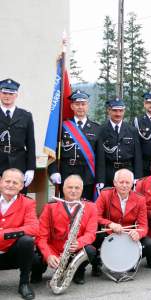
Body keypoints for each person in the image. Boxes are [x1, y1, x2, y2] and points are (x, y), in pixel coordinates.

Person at [33, 175, 97, 285]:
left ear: (82, 190)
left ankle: (78, 270)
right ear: (63, 188)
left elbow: (91, 234)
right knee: (35, 254)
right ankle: (37, 271)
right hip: (54, 250)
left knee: (90, 250)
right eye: (70, 187)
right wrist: (48, 255)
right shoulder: (50, 207)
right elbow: (41, 237)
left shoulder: (91, 207)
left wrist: (78, 243)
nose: (73, 191)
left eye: (77, 188)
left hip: (74, 250)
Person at [93, 169, 150, 275]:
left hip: (129, 234)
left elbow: (143, 226)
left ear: (132, 184)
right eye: (121, 182)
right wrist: (110, 223)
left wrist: (138, 233)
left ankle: (132, 259)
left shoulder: (140, 199)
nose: (124, 185)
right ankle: (97, 262)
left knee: (150, 244)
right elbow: (94, 215)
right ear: (115, 183)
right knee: (95, 233)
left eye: (127, 182)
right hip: (109, 232)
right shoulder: (105, 194)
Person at [48, 90, 101, 200]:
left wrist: (100, 178)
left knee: (86, 207)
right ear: (72, 106)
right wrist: (53, 171)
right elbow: (53, 150)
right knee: (67, 206)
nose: (80, 107)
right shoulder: (62, 127)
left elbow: (100, 157)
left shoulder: (97, 128)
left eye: (83, 104)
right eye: (77, 104)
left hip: (88, 174)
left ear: (87, 106)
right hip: (66, 172)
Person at [0, 168, 39, 300]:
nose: (10, 185)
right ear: (0, 182)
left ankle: (24, 283)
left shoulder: (28, 203)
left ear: (21, 186)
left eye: (15, 183)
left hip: (12, 254)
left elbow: (34, 228)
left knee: (27, 241)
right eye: (7, 181)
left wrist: (5, 234)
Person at [96, 98, 142, 188]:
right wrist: (100, 179)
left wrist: (138, 176)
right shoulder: (101, 130)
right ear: (109, 111)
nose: (118, 114)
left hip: (128, 171)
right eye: (114, 111)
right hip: (109, 172)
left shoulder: (132, 130)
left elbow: (138, 156)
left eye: (121, 111)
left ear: (124, 111)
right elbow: (100, 157)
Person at [0, 79, 36, 190]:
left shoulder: (26, 115)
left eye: (11, 93)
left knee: (19, 198)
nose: (7, 96)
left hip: (19, 163)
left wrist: (31, 168)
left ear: (16, 95)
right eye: (4, 93)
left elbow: (31, 144)